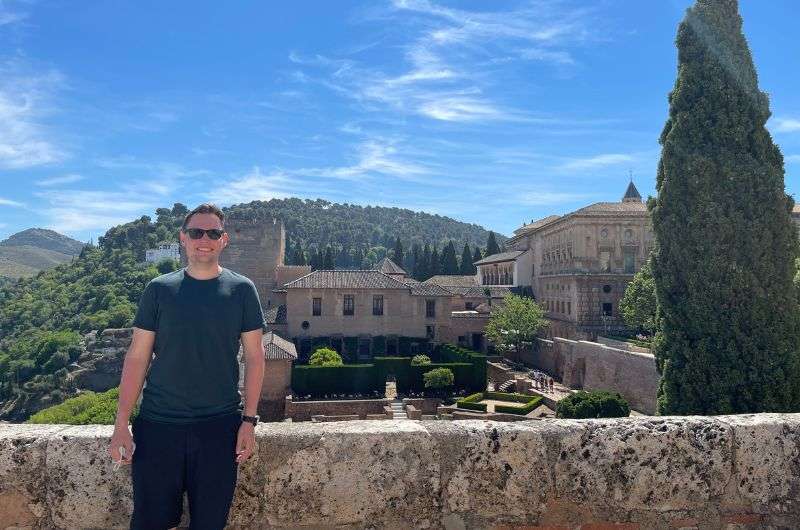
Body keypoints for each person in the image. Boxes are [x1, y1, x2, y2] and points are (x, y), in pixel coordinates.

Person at [108, 203, 266, 530]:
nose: (203, 239)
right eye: (196, 232)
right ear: (183, 238)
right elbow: (138, 357)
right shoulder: (158, 290)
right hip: (158, 426)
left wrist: (248, 421)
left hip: (219, 429)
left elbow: (255, 357)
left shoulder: (242, 291)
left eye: (213, 233)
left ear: (224, 240)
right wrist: (121, 422)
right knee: (151, 523)